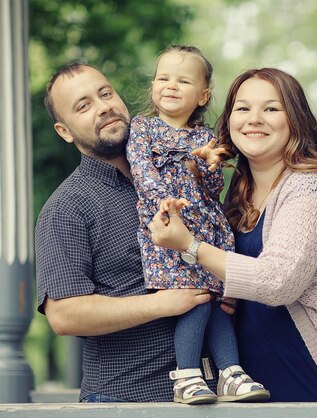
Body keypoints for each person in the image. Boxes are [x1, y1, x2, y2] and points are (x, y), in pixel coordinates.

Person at [150, 68, 317, 402]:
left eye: (271, 109)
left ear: (296, 120)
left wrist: (190, 245)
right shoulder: (238, 192)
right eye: (243, 108)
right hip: (257, 388)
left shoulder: (310, 186)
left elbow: (278, 281)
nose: (254, 119)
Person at [35, 62, 234, 403]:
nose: (103, 107)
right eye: (83, 106)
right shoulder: (67, 207)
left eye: (106, 93)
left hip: (214, 397)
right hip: (128, 400)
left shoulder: (179, 172)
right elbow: (65, 314)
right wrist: (161, 304)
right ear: (65, 131)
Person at [126, 45, 268, 404]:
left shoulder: (205, 138)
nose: (170, 86)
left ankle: (230, 372)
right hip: (168, 227)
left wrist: (206, 163)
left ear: (203, 95)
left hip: (206, 230)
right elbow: (141, 169)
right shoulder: (143, 128)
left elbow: (213, 188)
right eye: (163, 78)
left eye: (183, 80)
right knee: (193, 298)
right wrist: (163, 198)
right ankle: (187, 374)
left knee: (215, 297)